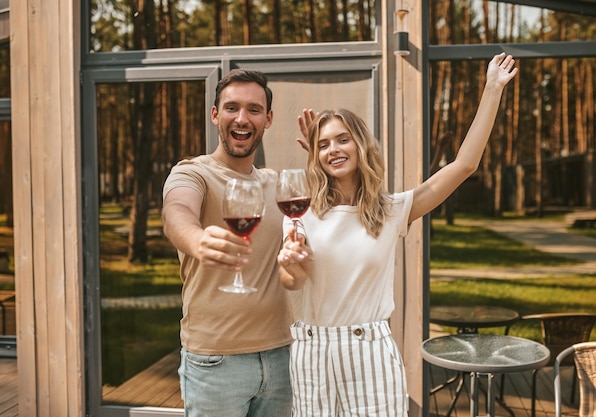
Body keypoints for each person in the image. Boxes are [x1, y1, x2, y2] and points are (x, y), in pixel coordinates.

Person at [277, 53, 518, 417]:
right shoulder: (301, 211)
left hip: (369, 352)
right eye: (323, 144)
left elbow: (464, 165)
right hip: (312, 351)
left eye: (342, 139)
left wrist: (492, 90)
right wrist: (289, 263)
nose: (333, 150)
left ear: (361, 144)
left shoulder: (390, 211)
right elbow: (292, 282)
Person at [162, 69, 293, 417]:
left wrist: (323, 156)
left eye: (253, 109)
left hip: (281, 357)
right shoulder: (193, 173)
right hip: (215, 363)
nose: (242, 117)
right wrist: (197, 240)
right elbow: (176, 211)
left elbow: (339, 204)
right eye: (232, 107)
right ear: (215, 114)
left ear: (268, 119)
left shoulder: (274, 184)